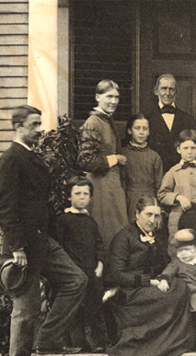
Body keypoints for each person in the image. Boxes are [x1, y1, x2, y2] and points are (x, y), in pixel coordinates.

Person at [0, 105, 87, 356]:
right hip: (23, 245)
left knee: (76, 280)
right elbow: (3, 207)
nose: (39, 129)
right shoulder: (11, 158)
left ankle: (46, 341)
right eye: (34, 125)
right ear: (18, 126)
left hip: (42, 240)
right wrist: (17, 247)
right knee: (25, 309)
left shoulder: (30, 156)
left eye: (39, 124)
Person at [102, 196, 194, 356]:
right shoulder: (124, 237)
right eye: (148, 215)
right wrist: (150, 282)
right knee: (168, 296)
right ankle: (151, 345)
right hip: (128, 291)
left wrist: (164, 277)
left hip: (152, 285)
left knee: (181, 287)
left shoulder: (157, 237)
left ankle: (172, 341)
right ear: (137, 214)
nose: (153, 220)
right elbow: (117, 275)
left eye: (157, 216)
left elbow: (166, 263)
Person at [56, 176, 108, 353]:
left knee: (94, 305)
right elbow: (59, 248)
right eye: (77, 193)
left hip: (92, 270)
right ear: (69, 196)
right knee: (75, 308)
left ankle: (98, 341)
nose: (82, 197)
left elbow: (99, 244)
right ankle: (76, 341)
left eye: (86, 194)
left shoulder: (90, 221)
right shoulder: (63, 220)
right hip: (73, 272)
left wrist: (100, 263)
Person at [78, 79, 128, 249]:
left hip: (111, 187)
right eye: (109, 96)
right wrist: (115, 159)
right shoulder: (93, 122)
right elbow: (86, 161)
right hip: (100, 188)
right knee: (106, 235)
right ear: (97, 97)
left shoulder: (106, 120)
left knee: (116, 235)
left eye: (117, 97)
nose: (114, 101)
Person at [158, 129, 196, 257]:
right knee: (177, 251)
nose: (189, 151)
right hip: (178, 218)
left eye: (193, 148)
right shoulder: (173, 172)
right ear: (178, 149)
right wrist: (178, 197)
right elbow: (162, 194)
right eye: (185, 148)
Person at [146, 73, 196, 172]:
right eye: (164, 88)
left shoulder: (188, 119)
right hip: (154, 172)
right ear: (156, 91)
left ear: (176, 92)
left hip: (181, 173)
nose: (168, 93)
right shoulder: (146, 118)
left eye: (171, 89)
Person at [122, 112, 163, 219]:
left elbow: (159, 187)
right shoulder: (122, 154)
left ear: (149, 131)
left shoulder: (154, 156)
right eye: (137, 128)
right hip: (128, 200)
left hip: (150, 199)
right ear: (129, 130)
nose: (141, 132)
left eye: (145, 129)